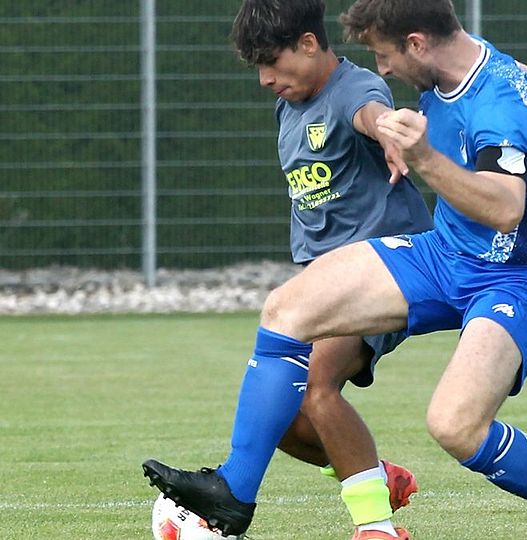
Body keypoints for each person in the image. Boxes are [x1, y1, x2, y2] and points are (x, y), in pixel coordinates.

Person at [144, 0, 527, 538]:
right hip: (443, 254)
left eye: (384, 55)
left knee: (454, 426)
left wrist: (426, 158)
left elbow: (506, 210)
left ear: (416, 42)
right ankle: (233, 491)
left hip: (517, 275)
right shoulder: (466, 74)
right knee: (285, 310)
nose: (382, 69)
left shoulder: (498, 94)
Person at [143, 1, 432, 538]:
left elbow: (372, 113)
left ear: (308, 43)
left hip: (383, 271)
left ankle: (376, 527)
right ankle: (372, 473)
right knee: (278, 412)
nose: (265, 79)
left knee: (315, 385)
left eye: (272, 63)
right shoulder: (289, 106)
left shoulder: (353, 88)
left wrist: (389, 133)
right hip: (326, 284)